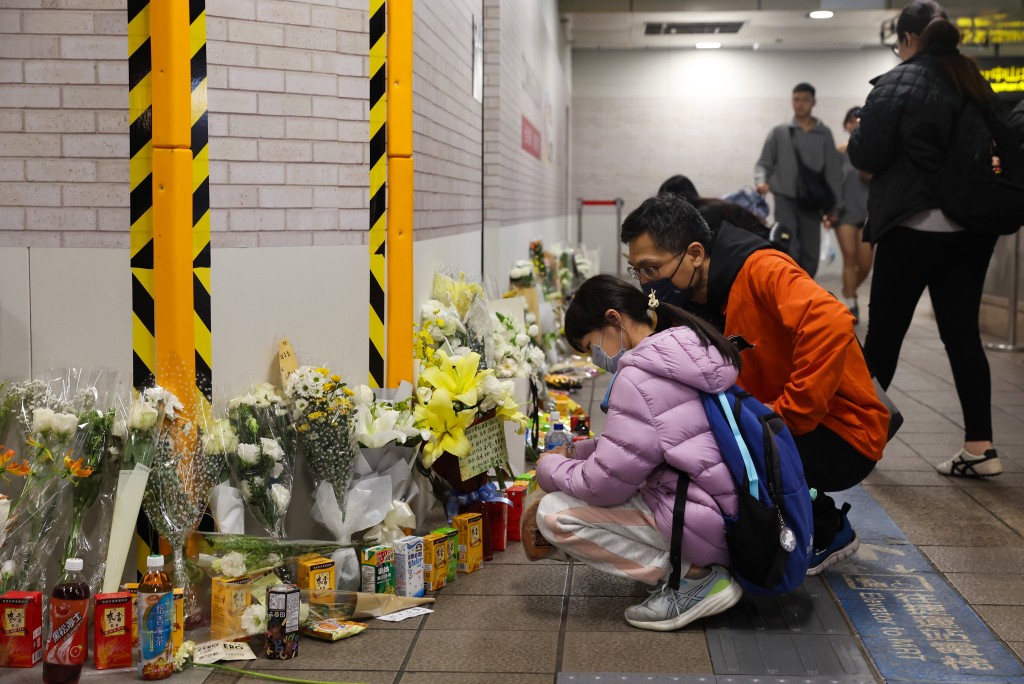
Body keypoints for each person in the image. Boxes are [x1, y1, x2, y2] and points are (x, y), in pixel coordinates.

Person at [621, 194, 889, 575]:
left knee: (721, 449)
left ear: (694, 253)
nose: (646, 283)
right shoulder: (695, 297)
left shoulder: (761, 269)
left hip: (843, 431)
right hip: (781, 417)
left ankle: (824, 529)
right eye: (637, 271)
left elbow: (830, 323)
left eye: (651, 268)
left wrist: (785, 419)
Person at [534, 274, 743, 631]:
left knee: (554, 514)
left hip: (702, 524)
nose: (596, 360)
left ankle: (693, 578)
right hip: (727, 512)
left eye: (591, 346)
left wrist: (549, 467)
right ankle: (691, 569)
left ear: (613, 320)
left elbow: (603, 485)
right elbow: (654, 442)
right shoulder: (684, 347)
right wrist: (581, 452)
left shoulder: (637, 377)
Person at [849, 0, 1003, 478]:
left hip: (912, 226)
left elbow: (866, 155)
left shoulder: (897, 83)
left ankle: (857, 443)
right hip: (971, 230)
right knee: (962, 336)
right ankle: (980, 447)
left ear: (909, 39)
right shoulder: (973, 80)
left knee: (884, 338)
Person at [754, 82, 843, 277]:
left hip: (812, 201)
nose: (800, 104)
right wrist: (761, 181)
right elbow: (764, 163)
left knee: (811, 253)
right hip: (785, 199)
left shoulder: (824, 134)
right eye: (796, 99)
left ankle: (804, 285)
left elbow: (833, 172)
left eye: (805, 100)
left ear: (813, 103)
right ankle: (788, 287)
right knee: (787, 246)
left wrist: (835, 208)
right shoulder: (780, 132)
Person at [835, 107, 874, 321]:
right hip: (844, 213)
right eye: (851, 121)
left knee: (866, 263)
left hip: (867, 211)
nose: (855, 124)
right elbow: (831, 182)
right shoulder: (839, 152)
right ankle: (851, 303)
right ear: (846, 125)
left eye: (859, 120)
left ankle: (848, 289)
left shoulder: (872, 150)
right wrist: (830, 210)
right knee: (849, 257)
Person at [659, 175, 771, 241]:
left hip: (761, 250)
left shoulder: (705, 213)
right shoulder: (710, 205)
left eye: (666, 201)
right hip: (761, 244)